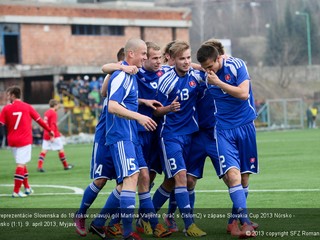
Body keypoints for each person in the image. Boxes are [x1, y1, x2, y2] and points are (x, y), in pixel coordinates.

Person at [100, 41, 171, 238]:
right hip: (125, 134)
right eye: (144, 55)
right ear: (132, 54)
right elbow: (111, 103)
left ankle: (104, 223)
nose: (147, 59)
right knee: (129, 180)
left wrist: (143, 103)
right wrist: (140, 116)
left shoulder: (134, 74)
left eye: (155, 57)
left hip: (134, 134)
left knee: (141, 178)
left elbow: (127, 99)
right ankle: (124, 228)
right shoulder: (125, 73)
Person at [197, 40, 258, 238]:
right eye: (204, 69)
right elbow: (187, 66)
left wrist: (219, 83)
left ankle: (233, 223)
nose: (208, 72)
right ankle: (246, 223)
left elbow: (242, 93)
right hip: (223, 131)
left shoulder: (237, 65)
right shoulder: (206, 74)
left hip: (246, 127)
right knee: (233, 177)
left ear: (219, 58)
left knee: (244, 177)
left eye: (210, 67)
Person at [152, 40, 207, 237]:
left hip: (190, 135)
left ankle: (145, 216)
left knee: (172, 182)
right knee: (181, 177)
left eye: (188, 58)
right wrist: (168, 108)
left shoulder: (195, 76)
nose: (186, 62)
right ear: (173, 60)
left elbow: (210, 75)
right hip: (170, 136)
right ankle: (189, 225)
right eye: (182, 58)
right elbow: (155, 110)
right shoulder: (166, 80)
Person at [0, 86, 54, 197]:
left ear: (13, 95)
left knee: (22, 164)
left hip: (12, 141)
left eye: (9, 94)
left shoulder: (5, 109)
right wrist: (49, 130)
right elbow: (39, 121)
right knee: (21, 164)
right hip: (24, 140)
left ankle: (27, 188)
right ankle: (16, 191)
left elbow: (1, 124)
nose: (8, 97)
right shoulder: (27, 107)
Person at [36, 99, 73, 172]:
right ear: (55, 105)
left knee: (44, 151)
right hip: (53, 135)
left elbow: (47, 124)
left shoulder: (47, 112)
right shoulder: (53, 113)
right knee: (61, 149)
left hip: (46, 134)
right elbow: (52, 124)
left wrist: (58, 132)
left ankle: (39, 166)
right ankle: (65, 166)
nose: (58, 107)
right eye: (58, 105)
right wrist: (52, 135)